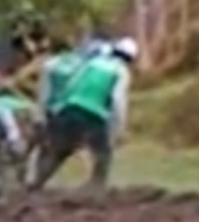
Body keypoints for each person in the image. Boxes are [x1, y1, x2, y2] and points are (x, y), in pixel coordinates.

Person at [29, 36, 136, 191]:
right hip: (93, 115)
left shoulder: (91, 63)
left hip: (68, 108)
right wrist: (118, 128)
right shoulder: (121, 71)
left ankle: (35, 185)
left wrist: (59, 109)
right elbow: (117, 100)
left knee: (57, 152)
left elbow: (72, 83)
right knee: (103, 154)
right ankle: (96, 190)